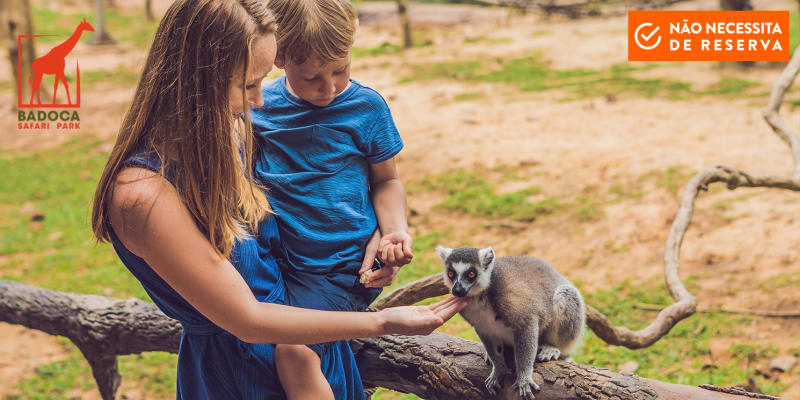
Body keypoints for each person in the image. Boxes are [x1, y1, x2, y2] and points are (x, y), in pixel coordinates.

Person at [90, 1, 468, 399]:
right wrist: (383, 322)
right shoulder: (142, 197)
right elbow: (248, 320)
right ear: (197, 81)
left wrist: (371, 236)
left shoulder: (225, 139)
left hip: (310, 342)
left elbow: (323, 203)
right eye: (248, 84)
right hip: (240, 376)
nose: (259, 102)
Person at [250, 1, 415, 398]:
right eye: (312, 78)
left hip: (342, 268)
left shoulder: (366, 107)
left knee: (294, 352)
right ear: (279, 58)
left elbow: (387, 180)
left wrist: (394, 231)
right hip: (279, 264)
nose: (329, 88)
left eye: (340, 70)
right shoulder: (259, 108)